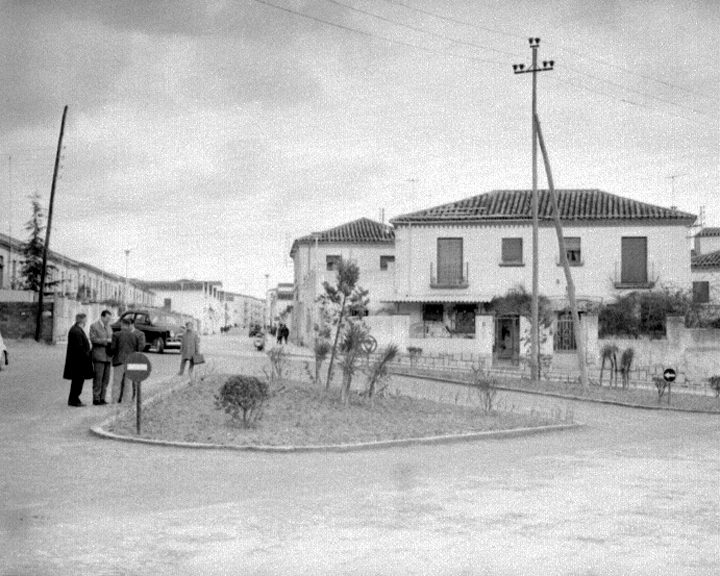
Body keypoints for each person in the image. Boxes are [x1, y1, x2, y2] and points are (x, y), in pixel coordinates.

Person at [63, 313, 94, 407]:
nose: (86, 322)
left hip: (78, 361)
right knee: (77, 381)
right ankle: (74, 399)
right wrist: (87, 355)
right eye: (85, 320)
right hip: (78, 362)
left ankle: (74, 398)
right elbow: (79, 348)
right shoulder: (76, 331)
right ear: (81, 320)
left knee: (78, 381)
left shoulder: (77, 329)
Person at [110, 318, 143, 404]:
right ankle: (126, 402)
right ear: (129, 326)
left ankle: (114, 401)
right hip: (130, 362)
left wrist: (109, 353)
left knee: (117, 383)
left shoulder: (116, 335)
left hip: (119, 361)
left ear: (122, 325)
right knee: (128, 384)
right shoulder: (134, 336)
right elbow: (138, 349)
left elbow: (113, 349)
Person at [89, 310, 113, 405]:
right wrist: (106, 341)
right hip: (99, 356)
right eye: (107, 318)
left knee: (106, 379)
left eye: (109, 319)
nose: (108, 320)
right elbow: (93, 339)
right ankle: (96, 398)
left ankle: (102, 397)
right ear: (102, 317)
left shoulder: (109, 327)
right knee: (98, 378)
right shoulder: (94, 326)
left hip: (108, 356)